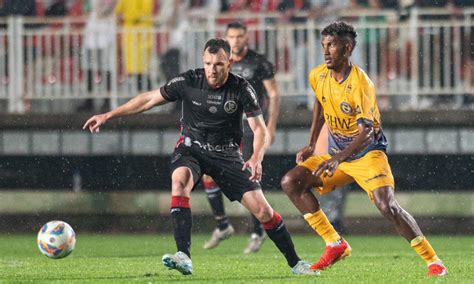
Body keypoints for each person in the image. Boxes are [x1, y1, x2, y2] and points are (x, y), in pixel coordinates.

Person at [83, 38, 317, 276]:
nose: (211, 70)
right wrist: (108, 115)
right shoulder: (189, 81)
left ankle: (296, 263)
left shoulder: (242, 88)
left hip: (226, 154)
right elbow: (148, 100)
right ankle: (183, 255)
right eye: (207, 64)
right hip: (191, 148)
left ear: (230, 63)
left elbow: (260, 129)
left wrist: (256, 157)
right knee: (179, 182)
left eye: (218, 64)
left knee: (263, 212)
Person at [280, 21, 448, 276]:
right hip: (338, 155)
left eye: (332, 45)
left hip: (368, 154)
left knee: (386, 206)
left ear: (347, 48)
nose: (325, 51)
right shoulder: (318, 75)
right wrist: (312, 143)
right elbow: (321, 103)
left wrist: (338, 157)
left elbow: (367, 132)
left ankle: (433, 261)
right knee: (291, 182)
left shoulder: (361, 84)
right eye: (323, 45)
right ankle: (335, 243)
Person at [201, 21, 281, 254]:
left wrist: (271, 126)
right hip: (224, 126)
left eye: (239, 36)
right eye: (231, 36)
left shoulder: (259, 62)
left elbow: (274, 95)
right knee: (208, 173)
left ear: (246, 37)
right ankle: (223, 224)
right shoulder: (220, 62)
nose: (235, 40)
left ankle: (258, 230)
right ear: (226, 38)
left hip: (249, 127)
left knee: (248, 176)